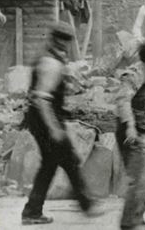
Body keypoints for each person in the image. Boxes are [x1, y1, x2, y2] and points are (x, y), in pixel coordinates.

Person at [21, 21, 101, 225]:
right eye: (66, 40)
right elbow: (42, 99)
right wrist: (54, 128)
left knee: (54, 163)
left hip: (40, 118)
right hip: (46, 120)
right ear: (60, 41)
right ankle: (85, 204)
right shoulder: (51, 63)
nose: (67, 45)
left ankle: (34, 211)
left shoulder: (50, 58)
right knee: (67, 160)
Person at [115, 39, 145, 230]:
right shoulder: (137, 72)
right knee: (139, 178)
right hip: (133, 132)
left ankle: (138, 220)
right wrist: (130, 127)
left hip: (143, 133)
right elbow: (123, 99)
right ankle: (130, 223)